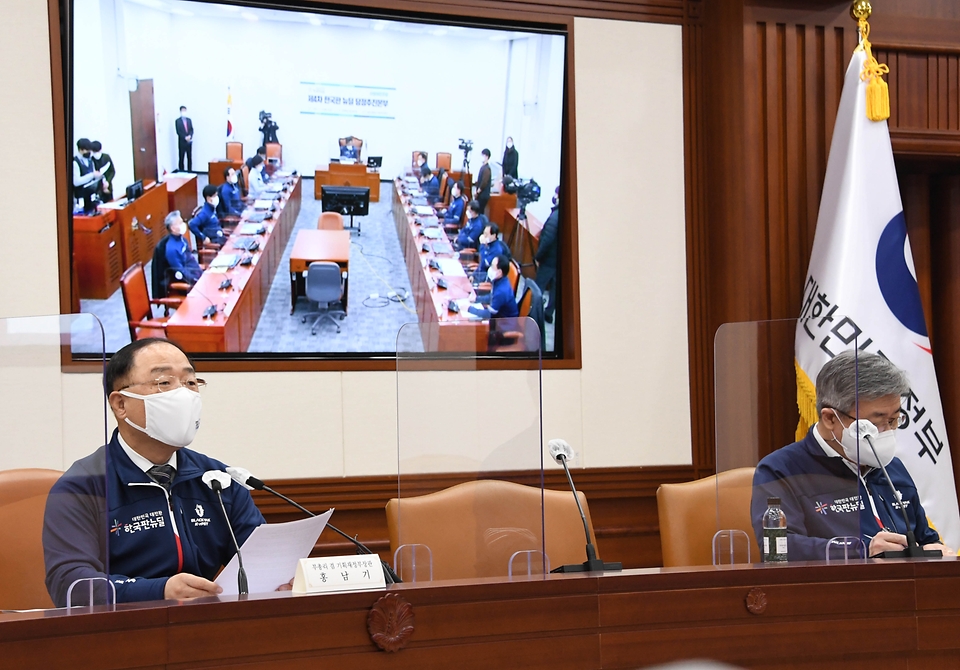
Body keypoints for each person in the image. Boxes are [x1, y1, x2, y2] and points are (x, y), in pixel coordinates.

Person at [42, 338, 269, 606]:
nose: (182, 393)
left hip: (205, 631)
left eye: (190, 382)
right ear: (120, 404)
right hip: (120, 633)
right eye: (164, 382)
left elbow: (261, 561)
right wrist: (160, 591)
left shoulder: (217, 480)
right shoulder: (82, 487)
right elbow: (72, 585)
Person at [751, 351, 953, 561]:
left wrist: (936, 552)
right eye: (875, 423)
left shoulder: (892, 467)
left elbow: (925, 538)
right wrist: (862, 551)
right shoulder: (781, 470)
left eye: (893, 420)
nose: (886, 431)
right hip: (834, 590)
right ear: (830, 418)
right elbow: (777, 549)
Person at [535, 186, 560, 323]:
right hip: (557, 260)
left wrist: (538, 256)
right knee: (555, 290)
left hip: (549, 260)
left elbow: (547, 240)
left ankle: (534, 313)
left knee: (539, 287)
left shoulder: (554, 217)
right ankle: (549, 313)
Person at [468, 254, 518, 319]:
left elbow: (489, 315)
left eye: (492, 266)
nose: (490, 268)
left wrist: (469, 309)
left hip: (505, 324)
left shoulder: (501, 291)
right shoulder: (500, 280)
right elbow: (492, 296)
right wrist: (476, 299)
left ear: (499, 272)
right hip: (499, 316)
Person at [162, 211, 203, 284]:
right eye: (180, 223)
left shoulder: (182, 239)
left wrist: (201, 274)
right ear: (173, 228)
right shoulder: (171, 249)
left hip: (197, 274)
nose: (183, 224)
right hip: (191, 283)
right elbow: (181, 272)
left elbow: (191, 260)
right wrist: (196, 280)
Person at [72, 138, 102, 214]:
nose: (89, 152)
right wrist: (92, 175)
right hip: (81, 199)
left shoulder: (90, 160)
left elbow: (94, 174)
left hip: (91, 196)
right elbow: (76, 182)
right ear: (81, 150)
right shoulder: (75, 162)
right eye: (86, 150)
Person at [474, 148, 492, 214]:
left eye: (483, 155)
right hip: (481, 195)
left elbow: (484, 182)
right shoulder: (483, 167)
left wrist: (477, 192)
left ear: (486, 156)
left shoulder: (487, 169)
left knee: (480, 212)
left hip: (483, 195)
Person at [175, 106, 193, 172]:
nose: (184, 112)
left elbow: (191, 130)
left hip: (189, 142)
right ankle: (181, 172)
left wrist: (190, 136)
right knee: (181, 158)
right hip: (182, 142)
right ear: (180, 111)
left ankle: (190, 172)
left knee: (189, 158)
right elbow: (178, 131)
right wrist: (185, 137)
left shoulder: (189, 120)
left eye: (185, 110)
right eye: (183, 111)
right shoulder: (177, 121)